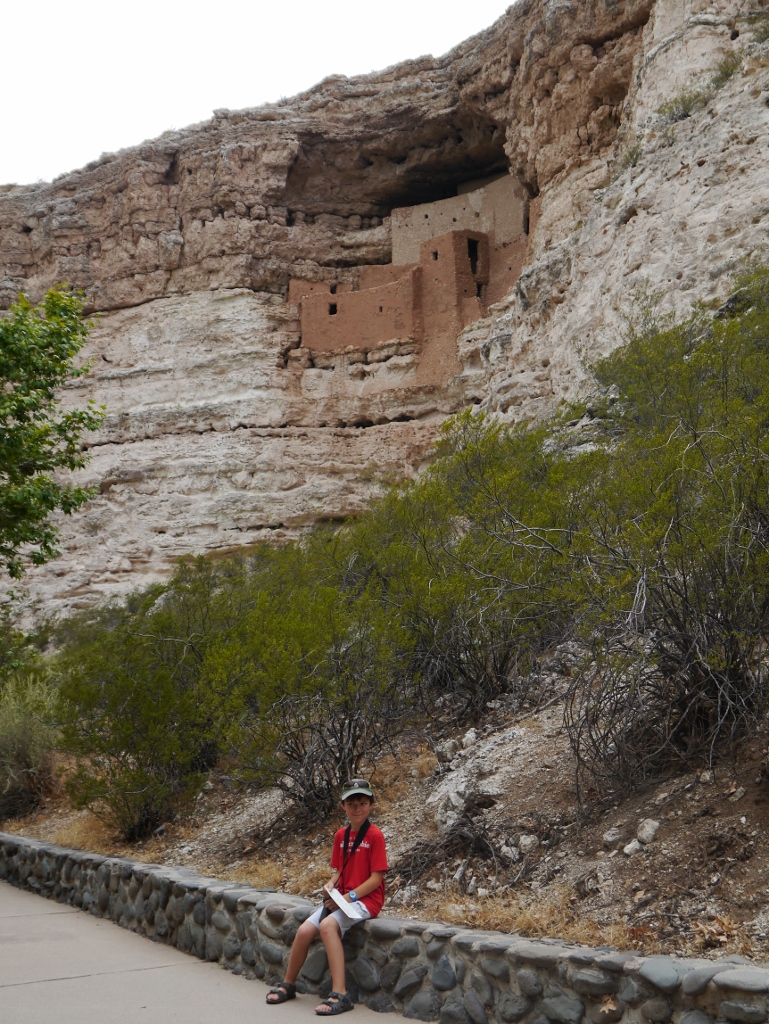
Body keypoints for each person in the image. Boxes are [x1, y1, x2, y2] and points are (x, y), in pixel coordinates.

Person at [265, 778, 389, 1015]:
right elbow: (340, 869)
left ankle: (340, 993)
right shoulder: (340, 835)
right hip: (342, 897)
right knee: (303, 932)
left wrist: (348, 896)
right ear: (343, 806)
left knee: (328, 925)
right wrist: (331, 883)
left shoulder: (375, 836)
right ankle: (288, 984)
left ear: (371, 805)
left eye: (363, 803)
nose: (357, 808)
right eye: (351, 804)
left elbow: (376, 878)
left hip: (365, 900)